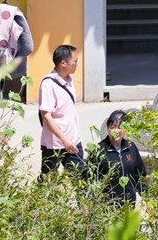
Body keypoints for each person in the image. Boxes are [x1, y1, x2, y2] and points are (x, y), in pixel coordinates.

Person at [37, 44, 82, 174]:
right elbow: (46, 116)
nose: (76, 64)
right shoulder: (48, 84)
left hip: (73, 141)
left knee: (79, 179)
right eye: (75, 61)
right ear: (63, 63)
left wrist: (70, 140)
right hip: (54, 144)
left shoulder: (69, 79)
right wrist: (64, 140)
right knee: (48, 182)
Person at [91, 109, 146, 203]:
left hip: (129, 203)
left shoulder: (131, 147)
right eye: (113, 127)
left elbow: (140, 174)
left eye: (120, 127)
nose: (116, 131)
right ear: (108, 128)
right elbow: (90, 178)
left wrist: (145, 196)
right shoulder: (99, 150)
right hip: (107, 205)